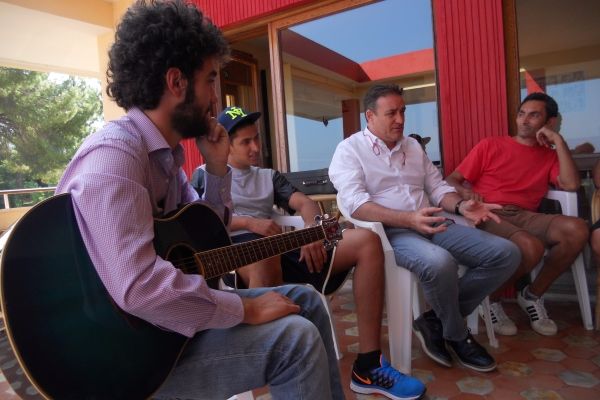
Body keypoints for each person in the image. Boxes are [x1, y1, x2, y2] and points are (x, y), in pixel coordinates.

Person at [55, 2, 345, 399]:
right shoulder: (115, 158)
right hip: (122, 357)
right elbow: (138, 288)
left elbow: (207, 230)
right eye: (210, 80)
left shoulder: (164, 159)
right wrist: (245, 309)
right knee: (294, 339)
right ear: (176, 82)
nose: (216, 98)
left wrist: (217, 167)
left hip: (161, 325)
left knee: (306, 301)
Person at [191, 106, 426, 400]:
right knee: (265, 257)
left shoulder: (268, 176)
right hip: (238, 257)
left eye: (257, 138)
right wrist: (249, 222)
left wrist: (311, 229)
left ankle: (368, 365)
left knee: (366, 241)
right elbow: (199, 222)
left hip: (280, 247)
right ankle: (274, 367)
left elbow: (304, 202)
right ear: (226, 145)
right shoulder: (204, 176)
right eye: (245, 142)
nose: (256, 148)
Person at [329, 84, 521, 373]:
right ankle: (457, 334)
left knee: (506, 253)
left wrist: (460, 206)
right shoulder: (350, 150)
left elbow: (438, 188)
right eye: (391, 113)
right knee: (439, 262)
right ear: (370, 116)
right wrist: (408, 219)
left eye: (403, 111)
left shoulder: (413, 147)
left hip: (433, 222)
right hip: (389, 233)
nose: (400, 119)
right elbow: (355, 205)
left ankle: (434, 320)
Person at [446, 92, 589, 337]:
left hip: (525, 215)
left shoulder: (549, 155)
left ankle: (532, 295)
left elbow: (571, 184)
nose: (524, 120)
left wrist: (558, 141)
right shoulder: (490, 145)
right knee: (530, 247)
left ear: (549, 122)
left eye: (534, 115)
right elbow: (452, 179)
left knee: (577, 230)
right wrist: (466, 192)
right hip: (490, 212)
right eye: (522, 114)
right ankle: (489, 299)